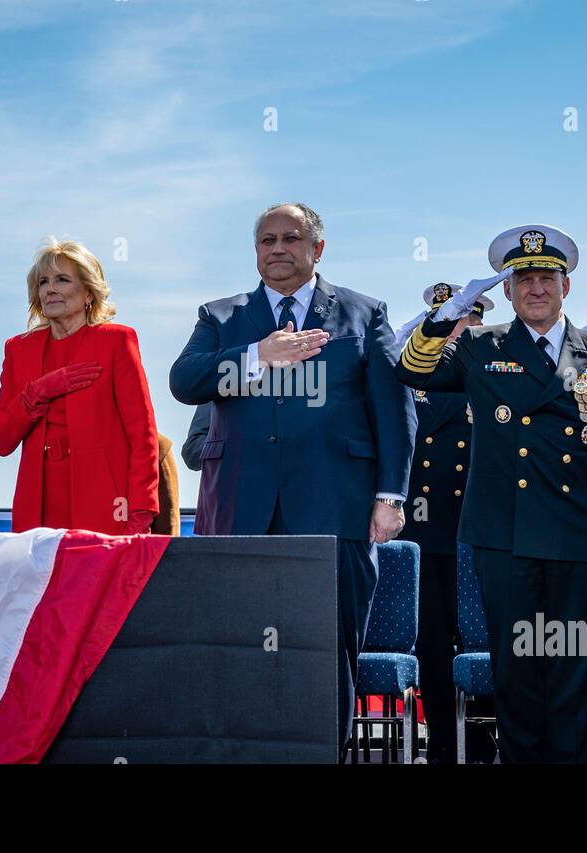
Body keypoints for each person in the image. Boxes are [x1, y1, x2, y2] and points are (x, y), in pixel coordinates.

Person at [396, 224, 587, 763]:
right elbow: (411, 367)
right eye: (525, 279)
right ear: (508, 292)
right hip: (504, 538)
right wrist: (442, 320)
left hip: (581, 540)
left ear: (566, 288)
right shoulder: (478, 347)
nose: (536, 288)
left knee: (573, 674)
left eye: (547, 278)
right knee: (516, 675)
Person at [169, 202, 416, 755]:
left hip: (337, 511)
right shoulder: (221, 317)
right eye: (266, 240)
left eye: (290, 238)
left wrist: (390, 495)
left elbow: (394, 412)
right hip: (241, 512)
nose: (277, 248)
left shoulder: (364, 313)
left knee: (328, 653)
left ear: (317, 249)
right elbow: (184, 381)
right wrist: (258, 355)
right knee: (240, 653)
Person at [0, 239, 159, 535]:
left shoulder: (117, 341)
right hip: (36, 511)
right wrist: (39, 391)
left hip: (106, 505)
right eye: (43, 282)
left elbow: (142, 435)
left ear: (89, 292)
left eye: (62, 279)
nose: (50, 289)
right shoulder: (18, 349)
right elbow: (0, 439)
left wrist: (141, 511)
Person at [401, 283, 496, 764]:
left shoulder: (490, 375)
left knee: (486, 637)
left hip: (477, 529)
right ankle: (443, 740)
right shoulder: (414, 380)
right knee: (432, 642)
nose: (460, 328)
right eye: (450, 320)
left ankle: (483, 737)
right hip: (422, 533)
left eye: (468, 319)